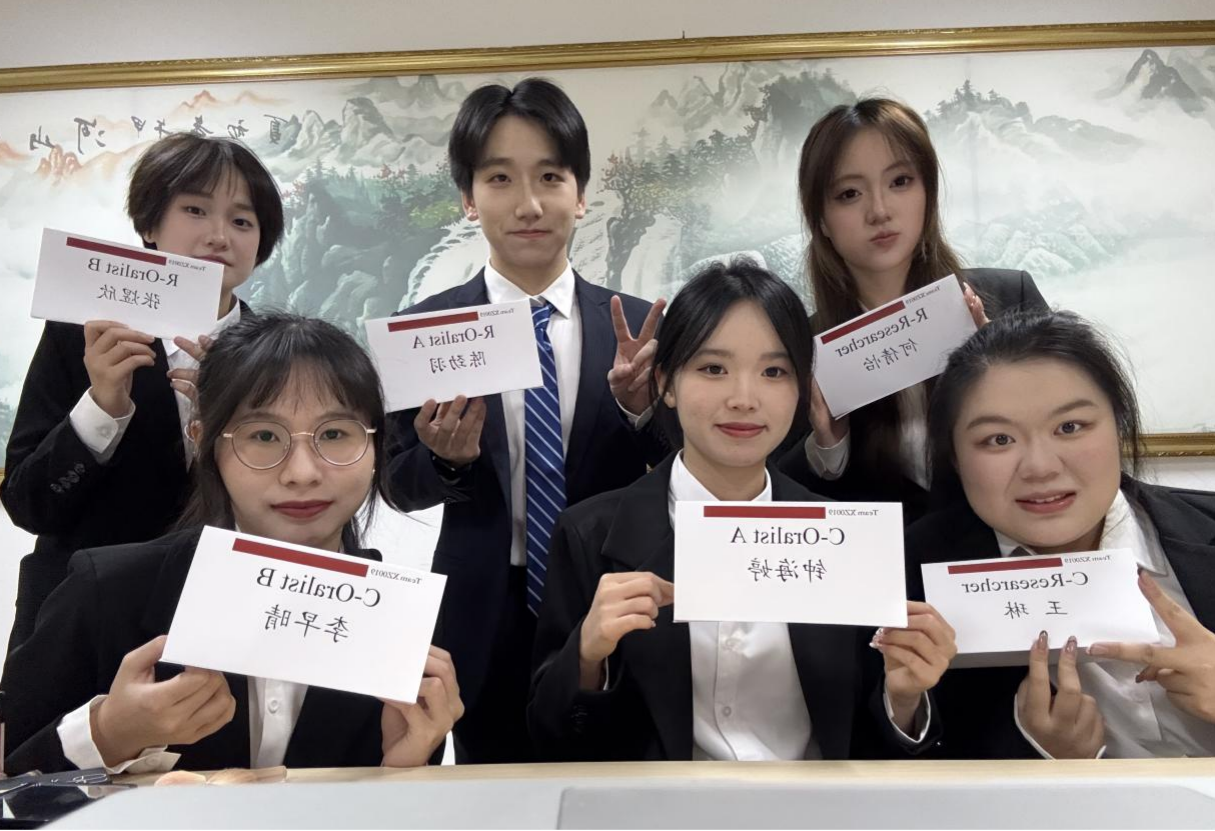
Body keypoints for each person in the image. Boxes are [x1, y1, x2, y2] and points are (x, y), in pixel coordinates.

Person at [529, 260, 953, 761]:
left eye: (774, 372)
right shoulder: (589, 534)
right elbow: (549, 735)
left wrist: (904, 699)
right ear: (666, 383)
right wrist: (587, 655)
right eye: (713, 369)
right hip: (662, 802)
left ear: (801, 389)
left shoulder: (848, 540)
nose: (744, 398)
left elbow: (866, 730)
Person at [2, 313, 462, 774]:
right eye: (263, 436)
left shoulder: (399, 619)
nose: (302, 472)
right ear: (205, 441)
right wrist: (108, 733)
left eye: (335, 434)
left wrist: (403, 768)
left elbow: (388, 790)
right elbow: (13, 772)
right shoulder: (108, 592)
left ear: (377, 446)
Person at [386, 78, 667, 763]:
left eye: (550, 176)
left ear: (580, 192)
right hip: (484, 609)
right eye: (500, 179)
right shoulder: (424, 331)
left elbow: (689, 469)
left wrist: (640, 412)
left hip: (614, 597)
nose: (529, 204)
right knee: (492, 790)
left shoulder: (640, 328)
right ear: (468, 197)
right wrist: (446, 459)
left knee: (616, 778)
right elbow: (395, 484)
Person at [2, 133, 285, 650]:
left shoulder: (276, 354)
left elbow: (294, 505)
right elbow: (29, 506)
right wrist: (102, 406)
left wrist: (231, 426)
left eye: (242, 221)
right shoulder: (83, 332)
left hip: (220, 621)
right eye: (195, 210)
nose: (219, 235)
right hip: (81, 626)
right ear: (150, 224)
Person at [907, 310, 1215, 758]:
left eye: (1070, 427)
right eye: (998, 439)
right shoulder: (909, 578)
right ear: (955, 457)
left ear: (1119, 424)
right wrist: (1051, 763)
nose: (1040, 467)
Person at [780, 98, 1048, 522]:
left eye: (900, 181)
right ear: (822, 219)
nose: (879, 211)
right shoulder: (805, 352)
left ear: (928, 194)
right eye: (849, 194)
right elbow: (781, 498)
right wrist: (829, 447)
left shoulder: (1011, 299)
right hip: (887, 561)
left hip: (1013, 554)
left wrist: (997, 376)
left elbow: (1067, 435)